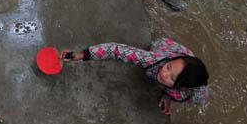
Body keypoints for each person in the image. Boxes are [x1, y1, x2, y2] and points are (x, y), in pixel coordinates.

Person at [60, 38, 210, 114]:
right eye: (168, 67)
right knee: (151, 70)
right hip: (166, 46)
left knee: (162, 81)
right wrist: (81, 55)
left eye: (172, 77)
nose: (164, 73)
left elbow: (196, 97)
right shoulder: (156, 59)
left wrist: (168, 97)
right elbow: (116, 50)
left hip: (183, 71)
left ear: (183, 87)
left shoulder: (197, 96)